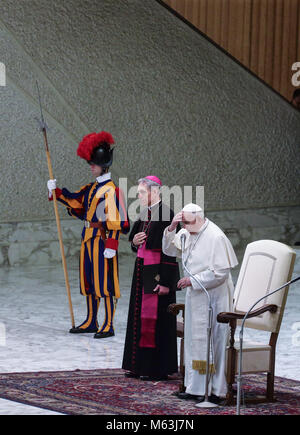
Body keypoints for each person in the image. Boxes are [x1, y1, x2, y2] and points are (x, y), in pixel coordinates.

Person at [47, 131, 130, 338]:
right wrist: (56, 192)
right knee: (90, 282)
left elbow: (116, 222)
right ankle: (91, 320)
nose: (91, 166)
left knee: (105, 283)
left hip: (102, 242)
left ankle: (108, 324)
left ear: (103, 165)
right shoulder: (92, 188)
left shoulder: (112, 191)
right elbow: (76, 202)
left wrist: (111, 245)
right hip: (88, 239)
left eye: (93, 163)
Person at [162, 203, 238, 403]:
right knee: (196, 342)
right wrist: (172, 227)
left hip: (215, 296)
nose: (184, 227)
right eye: (183, 223)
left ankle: (216, 390)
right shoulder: (187, 232)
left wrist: (192, 280)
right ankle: (195, 387)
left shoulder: (216, 236)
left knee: (214, 343)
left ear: (199, 218)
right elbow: (170, 249)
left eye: (187, 223)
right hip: (196, 295)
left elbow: (220, 273)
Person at [122, 176, 180, 380]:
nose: (138, 196)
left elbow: (171, 251)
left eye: (141, 192)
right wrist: (134, 243)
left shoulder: (166, 215)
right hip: (142, 269)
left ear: (155, 192)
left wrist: (166, 282)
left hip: (157, 272)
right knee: (139, 316)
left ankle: (154, 368)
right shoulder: (145, 213)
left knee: (153, 320)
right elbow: (136, 240)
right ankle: (137, 366)